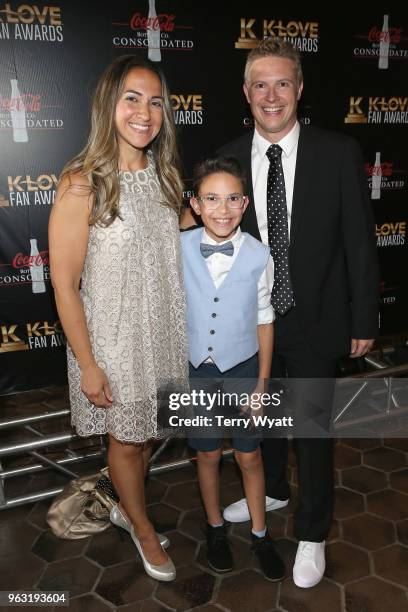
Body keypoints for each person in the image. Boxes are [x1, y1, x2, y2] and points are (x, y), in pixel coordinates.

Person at [219, 38, 379, 588]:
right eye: (259, 84)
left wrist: (364, 320)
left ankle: (312, 533)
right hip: (252, 324)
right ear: (246, 93)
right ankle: (274, 493)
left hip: (316, 321)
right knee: (261, 420)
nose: (271, 95)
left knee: (311, 432)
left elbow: (359, 241)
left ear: (300, 89)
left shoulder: (338, 152)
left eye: (282, 82)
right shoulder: (228, 158)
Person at [49, 55, 188, 582]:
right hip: (112, 340)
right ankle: (142, 527)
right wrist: (88, 363)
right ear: (109, 104)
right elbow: (64, 285)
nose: (144, 112)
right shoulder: (82, 182)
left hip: (163, 334)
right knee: (127, 441)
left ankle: (124, 506)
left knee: (145, 435)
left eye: (155, 102)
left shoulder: (166, 175)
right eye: (132, 98)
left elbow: (188, 249)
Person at [180, 155, 285, 581]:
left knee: (249, 454)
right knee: (206, 454)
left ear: (244, 204)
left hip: (243, 367)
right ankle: (215, 527)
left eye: (232, 199)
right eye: (212, 199)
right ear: (196, 204)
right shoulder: (179, 246)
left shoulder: (260, 255)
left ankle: (260, 533)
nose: (222, 209)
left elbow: (264, 319)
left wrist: (261, 385)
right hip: (195, 370)